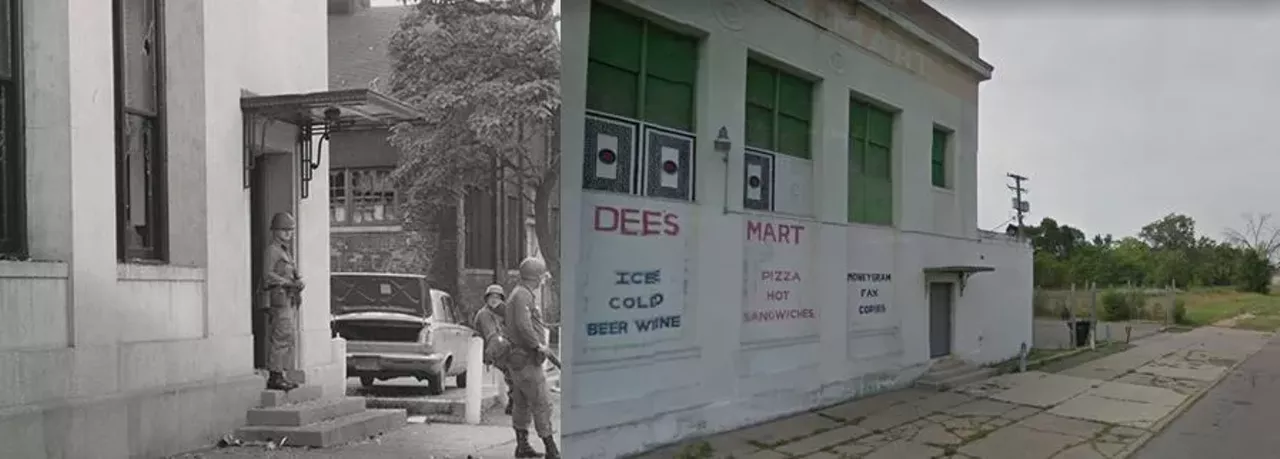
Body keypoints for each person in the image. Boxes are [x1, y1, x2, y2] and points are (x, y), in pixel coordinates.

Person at [502, 257, 558, 459]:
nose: (543, 279)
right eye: (542, 275)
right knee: (541, 403)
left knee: (522, 403)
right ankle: (551, 449)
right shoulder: (523, 295)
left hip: (519, 358)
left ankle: (522, 446)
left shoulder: (519, 293)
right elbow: (523, 325)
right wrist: (538, 345)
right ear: (536, 276)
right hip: (526, 358)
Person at [262, 212, 305, 391]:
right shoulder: (273, 250)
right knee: (281, 335)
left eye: (290, 230)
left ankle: (281, 373)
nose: (288, 233)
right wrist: (286, 282)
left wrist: (297, 281)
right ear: (275, 231)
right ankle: (275, 375)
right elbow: (267, 275)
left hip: (289, 298)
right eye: (284, 229)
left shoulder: (285, 251)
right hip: (279, 298)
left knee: (288, 336)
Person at [472, 284, 516, 415]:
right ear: (486, 298)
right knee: (514, 369)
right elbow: (493, 337)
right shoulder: (484, 314)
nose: (494, 299)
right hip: (491, 349)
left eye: (497, 297)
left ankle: (515, 402)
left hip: (502, 347)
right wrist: (489, 357)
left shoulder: (501, 313)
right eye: (491, 296)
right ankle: (514, 403)